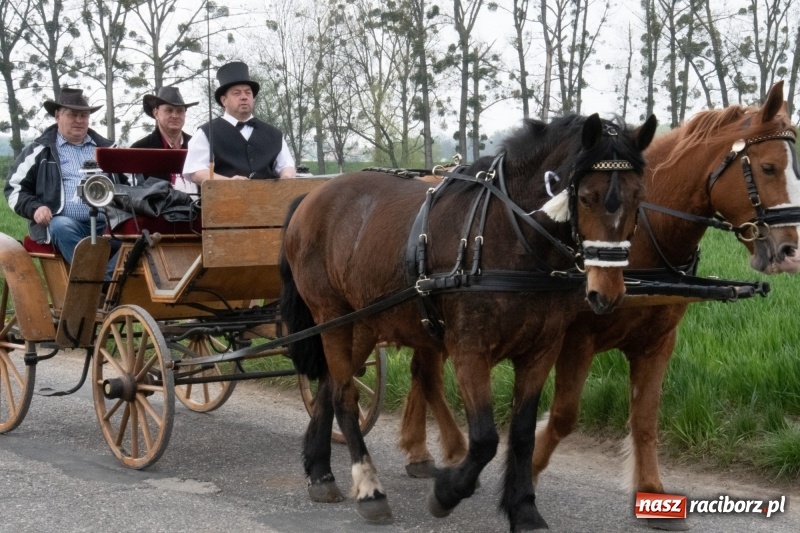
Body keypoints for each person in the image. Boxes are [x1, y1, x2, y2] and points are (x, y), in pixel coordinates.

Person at [4, 88, 127, 277]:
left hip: (108, 224)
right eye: (73, 115)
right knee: (61, 227)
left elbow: (130, 184)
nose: (79, 120)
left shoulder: (109, 149)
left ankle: (108, 282)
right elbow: (14, 187)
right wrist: (35, 208)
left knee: (140, 235)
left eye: (84, 115)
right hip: (65, 225)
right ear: (57, 116)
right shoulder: (40, 150)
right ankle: (102, 285)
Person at [183, 61, 296, 183]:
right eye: (236, 93)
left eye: (248, 92)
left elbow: (287, 165)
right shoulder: (206, 132)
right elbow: (196, 171)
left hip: (271, 200)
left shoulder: (274, 134)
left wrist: (286, 177)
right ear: (224, 100)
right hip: (223, 200)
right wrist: (228, 182)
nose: (244, 97)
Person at [131, 86, 199, 193]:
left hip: (198, 208)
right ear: (156, 113)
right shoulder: (139, 149)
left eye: (180, 111)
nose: (175, 115)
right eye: (169, 110)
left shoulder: (198, 145)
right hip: (158, 209)